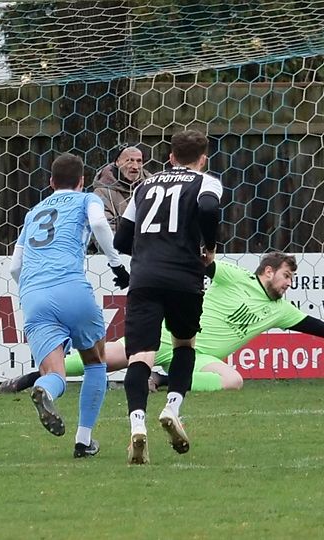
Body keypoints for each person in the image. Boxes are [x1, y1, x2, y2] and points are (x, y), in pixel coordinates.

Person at [0, 253, 324, 393]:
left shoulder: (281, 310)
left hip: (200, 356)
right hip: (169, 337)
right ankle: (33, 377)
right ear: (267, 271)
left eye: (291, 279)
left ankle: (159, 380)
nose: (288, 284)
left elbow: (322, 328)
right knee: (101, 358)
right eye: (285, 276)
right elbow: (202, 261)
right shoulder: (233, 276)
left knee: (233, 380)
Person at [9, 153, 130, 458]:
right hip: (71, 287)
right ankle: (83, 440)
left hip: (33, 295)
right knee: (96, 361)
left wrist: (32, 290)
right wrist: (116, 264)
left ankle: (46, 389)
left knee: (54, 372)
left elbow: (14, 267)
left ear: (51, 182)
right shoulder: (87, 199)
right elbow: (99, 222)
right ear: (82, 181)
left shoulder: (33, 212)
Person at [114, 129, 223, 464]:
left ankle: (137, 425)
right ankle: (173, 408)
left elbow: (121, 240)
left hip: (145, 278)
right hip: (184, 277)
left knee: (140, 356)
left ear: (171, 157)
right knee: (184, 345)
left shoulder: (144, 186)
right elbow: (208, 208)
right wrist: (210, 247)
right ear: (203, 159)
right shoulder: (206, 181)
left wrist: (148, 252)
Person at [93, 144, 149, 232]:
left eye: (139, 161)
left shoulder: (151, 187)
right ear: (117, 162)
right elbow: (105, 230)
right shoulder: (103, 192)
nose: (135, 167)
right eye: (129, 161)